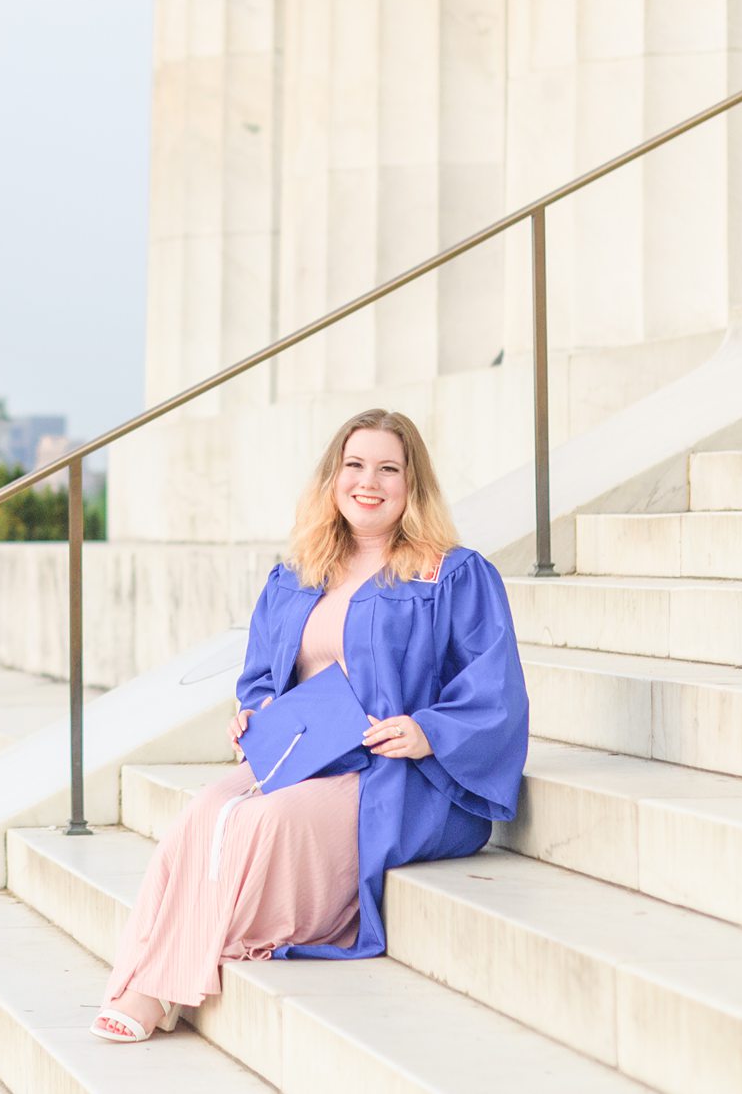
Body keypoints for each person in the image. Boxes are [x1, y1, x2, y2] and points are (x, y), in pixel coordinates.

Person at [89, 406, 529, 1044]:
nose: (368, 482)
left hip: (401, 777)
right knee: (204, 812)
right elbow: (265, 676)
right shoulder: (298, 574)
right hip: (308, 758)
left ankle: (154, 989)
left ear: (413, 485)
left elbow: (495, 688)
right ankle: (156, 972)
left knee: (263, 821)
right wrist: (255, 713)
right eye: (354, 466)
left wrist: (429, 730)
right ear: (333, 478)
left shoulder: (450, 573)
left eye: (388, 468)